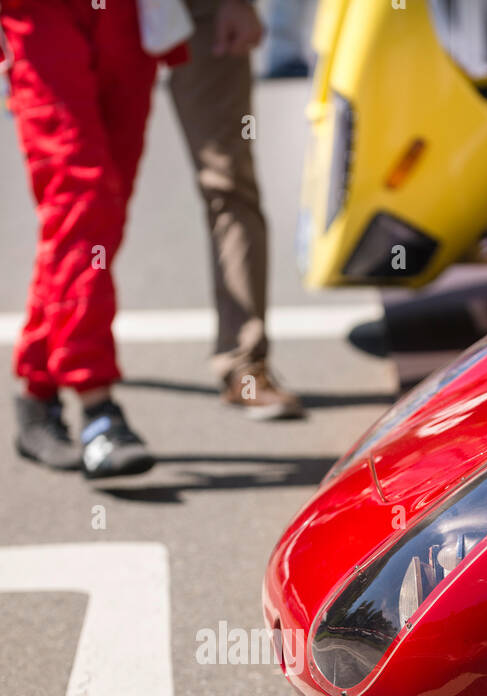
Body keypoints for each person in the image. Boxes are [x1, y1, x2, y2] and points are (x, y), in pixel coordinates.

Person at [0, 0, 188, 477]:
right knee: (81, 196)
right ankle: (97, 405)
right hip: (39, 14)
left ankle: (36, 390)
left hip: (126, 15)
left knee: (100, 212)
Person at [169, 0, 305, 420]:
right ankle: (66, 370)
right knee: (86, 191)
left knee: (228, 180)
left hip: (197, 10)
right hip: (87, 16)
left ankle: (243, 363)